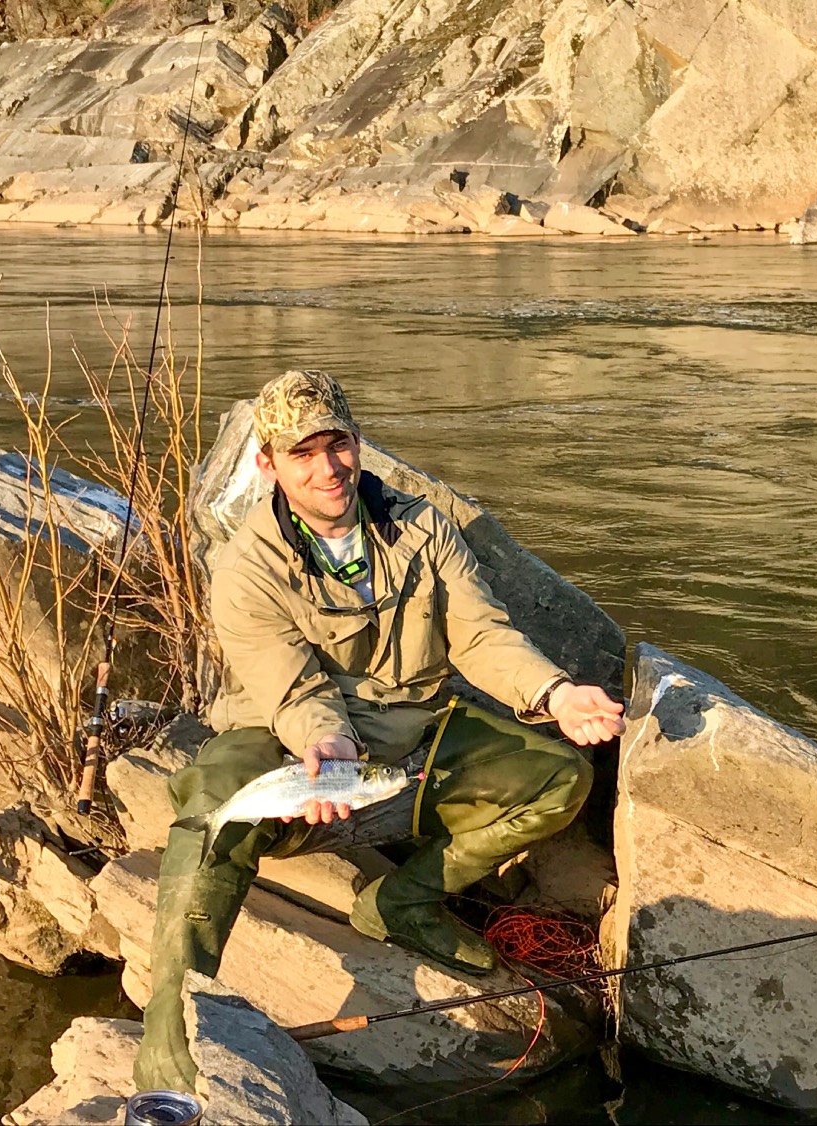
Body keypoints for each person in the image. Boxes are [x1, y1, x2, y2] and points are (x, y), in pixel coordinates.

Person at [132, 369, 625, 1093]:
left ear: (357, 444)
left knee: (558, 778)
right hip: (294, 743)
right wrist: (327, 749)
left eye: (337, 444)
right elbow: (291, 688)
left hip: (416, 737)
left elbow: (483, 638)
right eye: (303, 453)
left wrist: (553, 693)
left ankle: (403, 899)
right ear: (267, 464)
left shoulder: (423, 526)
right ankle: (169, 1044)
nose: (327, 467)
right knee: (211, 799)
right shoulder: (245, 568)